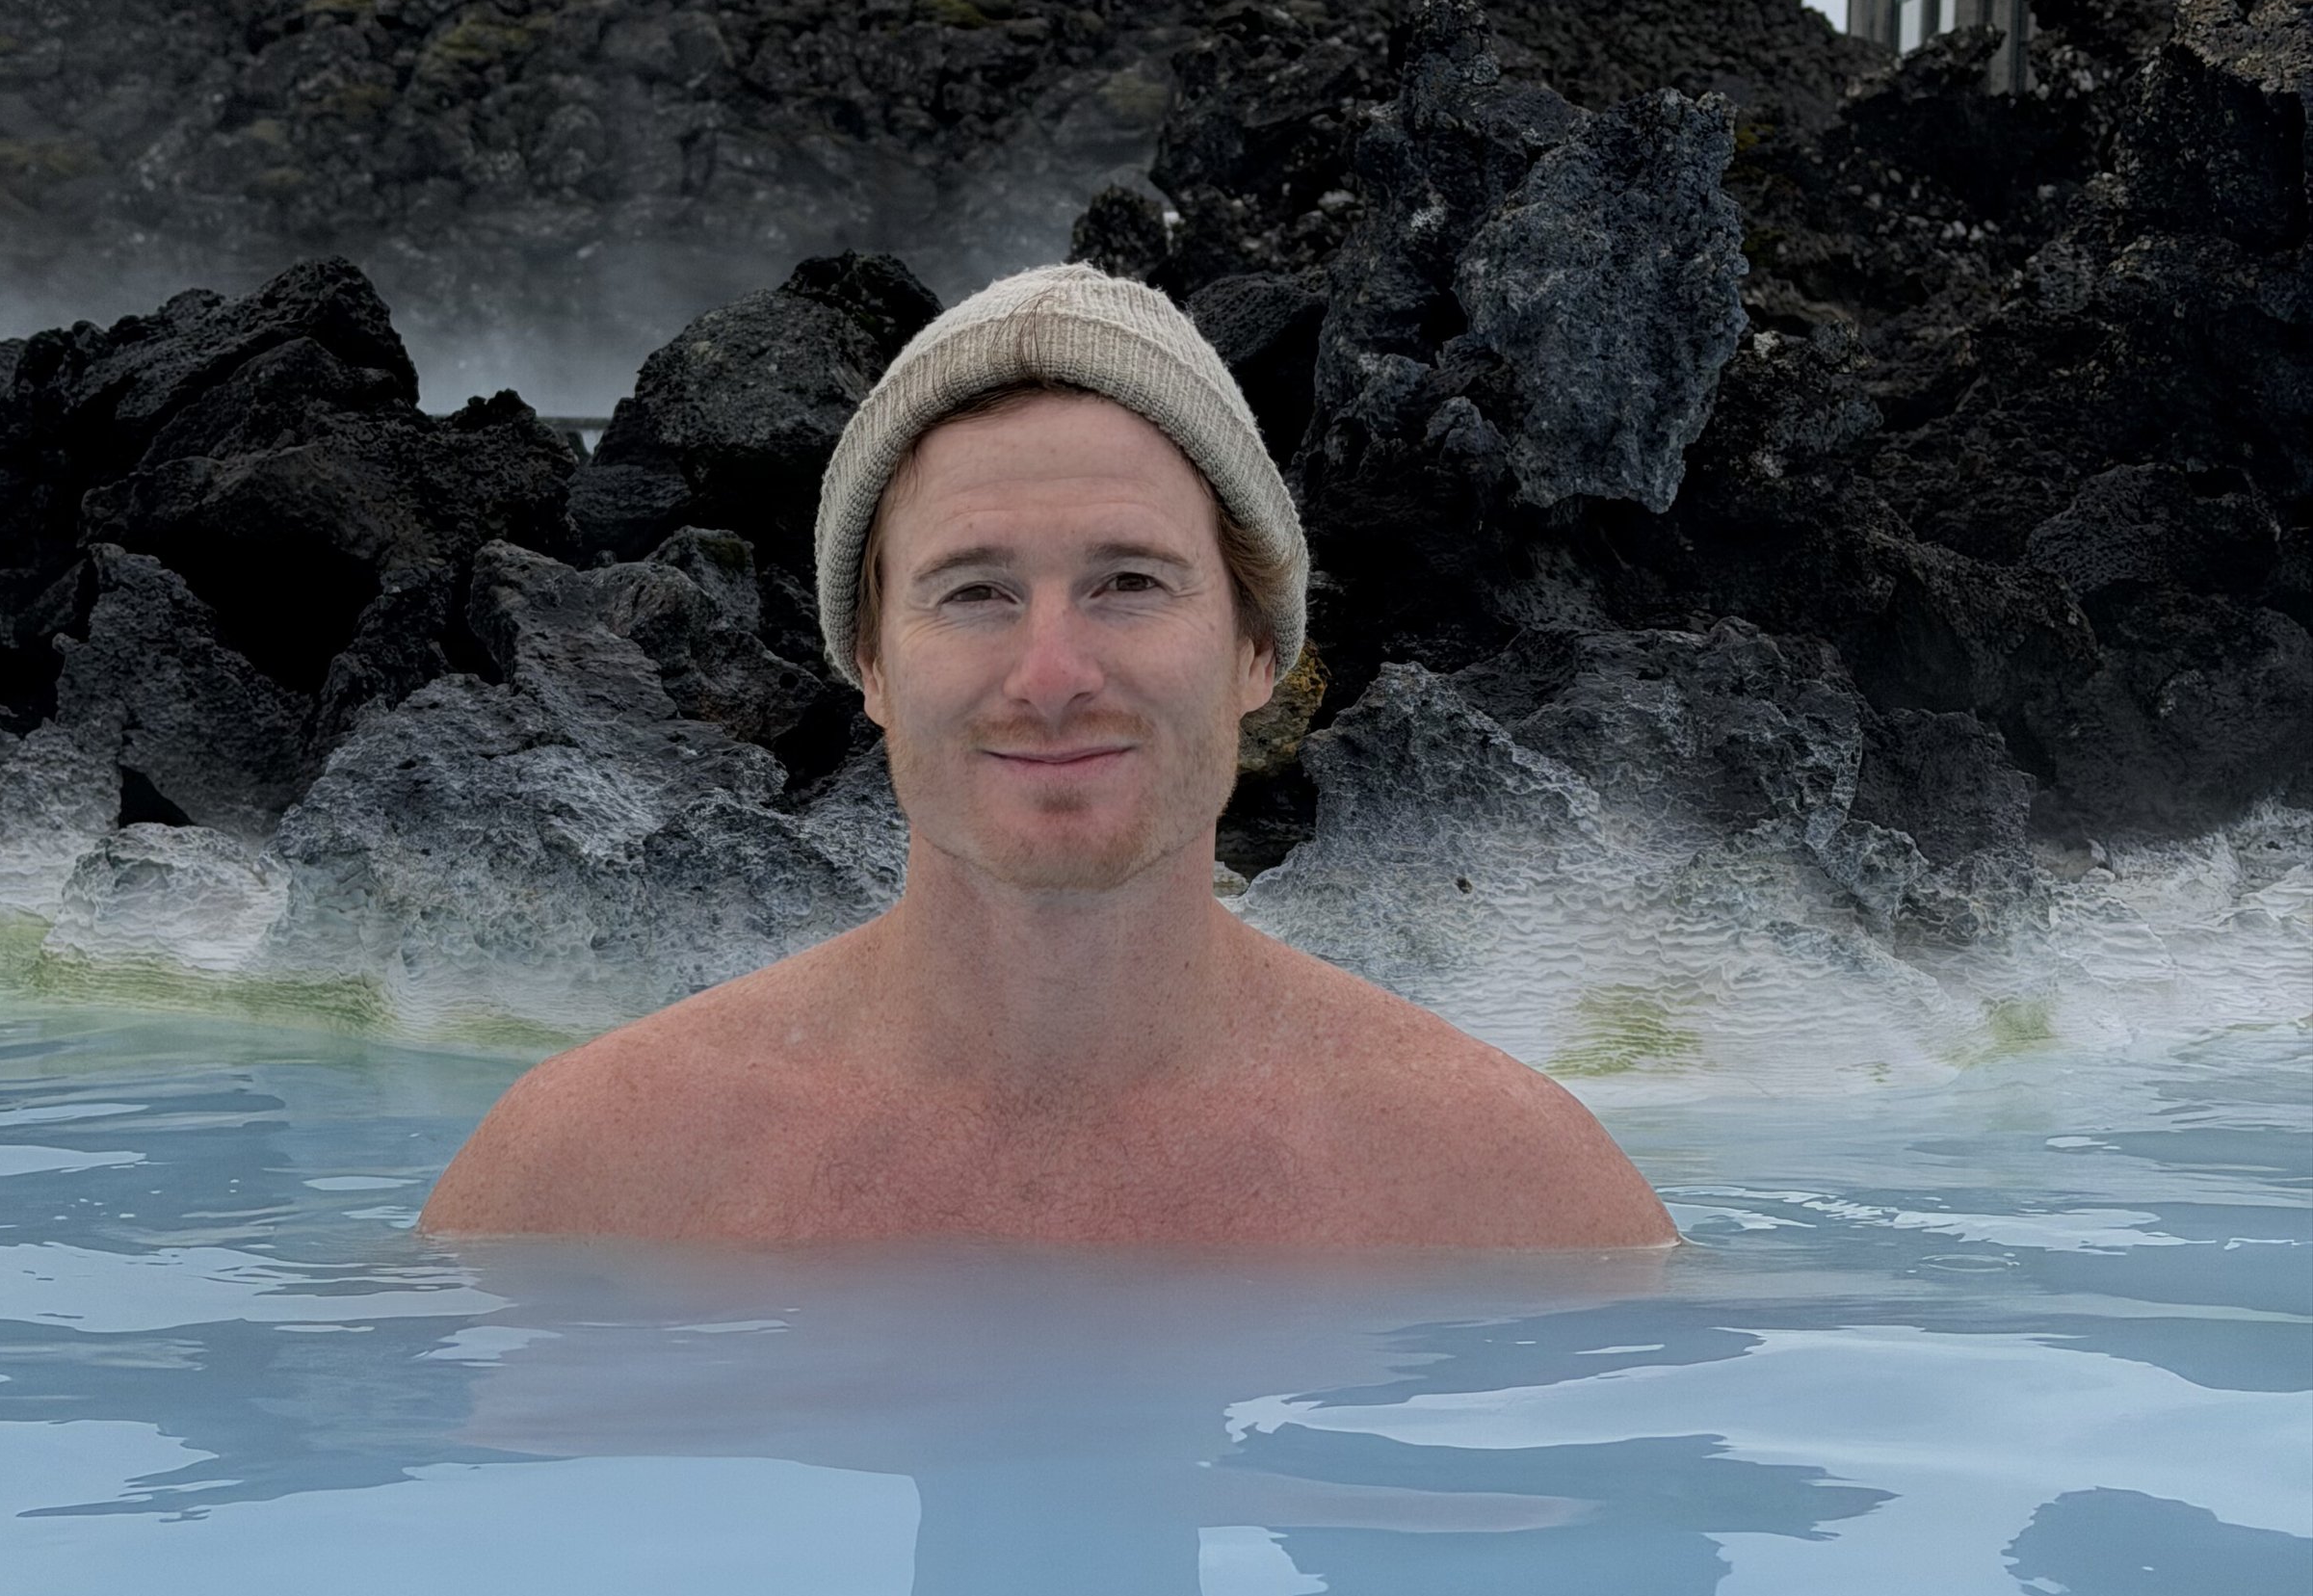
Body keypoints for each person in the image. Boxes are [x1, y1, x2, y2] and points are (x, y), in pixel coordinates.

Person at [424, 264, 1673, 1250]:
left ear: (1256, 649)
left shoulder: (1516, 1197)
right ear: (870, 659)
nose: (1053, 675)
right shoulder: (581, 1176)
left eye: (1129, 581)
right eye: (974, 592)